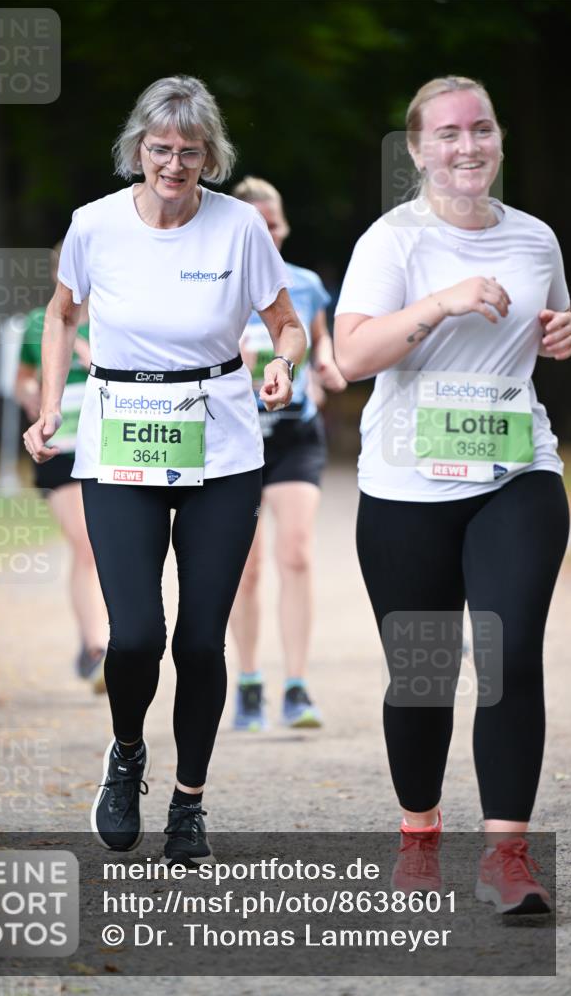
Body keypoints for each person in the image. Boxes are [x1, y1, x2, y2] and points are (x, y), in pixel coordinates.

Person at [23, 75, 306, 861]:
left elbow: (285, 324)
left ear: (209, 156)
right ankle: (126, 755)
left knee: (200, 643)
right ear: (136, 150)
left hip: (220, 442)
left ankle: (189, 802)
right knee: (137, 636)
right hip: (121, 440)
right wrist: (51, 406)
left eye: (188, 152)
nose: (173, 165)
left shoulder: (240, 227)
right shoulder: (96, 225)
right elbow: (60, 313)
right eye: (159, 149)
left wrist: (283, 363)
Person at [334, 76, 571, 914]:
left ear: (499, 139)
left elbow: (549, 331)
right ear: (416, 150)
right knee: (423, 675)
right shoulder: (391, 241)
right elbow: (352, 357)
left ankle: (505, 857)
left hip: (516, 471)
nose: (465, 146)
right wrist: (439, 303)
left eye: (479, 130)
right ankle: (419, 831)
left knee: (507, 658)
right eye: (446, 134)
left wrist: (561, 334)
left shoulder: (535, 239)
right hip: (405, 484)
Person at [228, 177, 346, 730]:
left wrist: (324, 365)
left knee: (294, 553)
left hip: (294, 435)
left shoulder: (304, 284)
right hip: (234, 440)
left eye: (272, 225)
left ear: (284, 227)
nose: (266, 234)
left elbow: (320, 338)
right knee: (245, 569)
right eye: (255, 226)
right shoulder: (215, 283)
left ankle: (296, 686)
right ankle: (249, 681)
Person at [16, 243, 109, 687]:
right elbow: (22, 382)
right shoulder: (40, 322)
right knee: (86, 544)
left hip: (107, 444)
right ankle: (96, 647)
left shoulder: (115, 316)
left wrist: (93, 358)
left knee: (105, 546)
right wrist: (35, 397)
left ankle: (109, 640)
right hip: (60, 446)